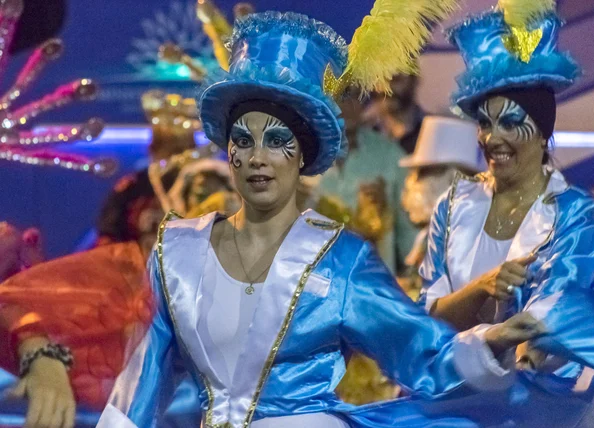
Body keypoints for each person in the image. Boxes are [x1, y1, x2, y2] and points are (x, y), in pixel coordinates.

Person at [92, 8, 546, 427]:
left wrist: (491, 342)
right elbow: (140, 382)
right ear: (227, 151)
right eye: (243, 141)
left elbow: (422, 351)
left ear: (302, 155)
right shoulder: (177, 255)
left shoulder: (339, 260)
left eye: (276, 140)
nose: (257, 158)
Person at [418, 0, 594, 426]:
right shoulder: (453, 205)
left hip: (547, 400)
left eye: (510, 122)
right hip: (455, 387)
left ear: (542, 131)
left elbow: (545, 319)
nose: (492, 137)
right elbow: (428, 318)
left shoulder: (575, 213)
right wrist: (481, 288)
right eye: (484, 122)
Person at [315, 91, 417, 274]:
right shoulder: (297, 158)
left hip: (374, 287)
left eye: (353, 94)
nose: (347, 105)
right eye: (338, 95)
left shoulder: (390, 156)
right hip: (312, 288)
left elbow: (411, 239)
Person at [96, 91, 206, 258]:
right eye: (166, 149)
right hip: (138, 272)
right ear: (153, 149)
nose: (174, 160)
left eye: (179, 151)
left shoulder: (205, 184)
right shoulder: (132, 188)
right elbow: (108, 237)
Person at [399, 116, 484, 299]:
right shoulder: (428, 234)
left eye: (426, 172)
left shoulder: (464, 236)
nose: (413, 182)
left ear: (453, 178)